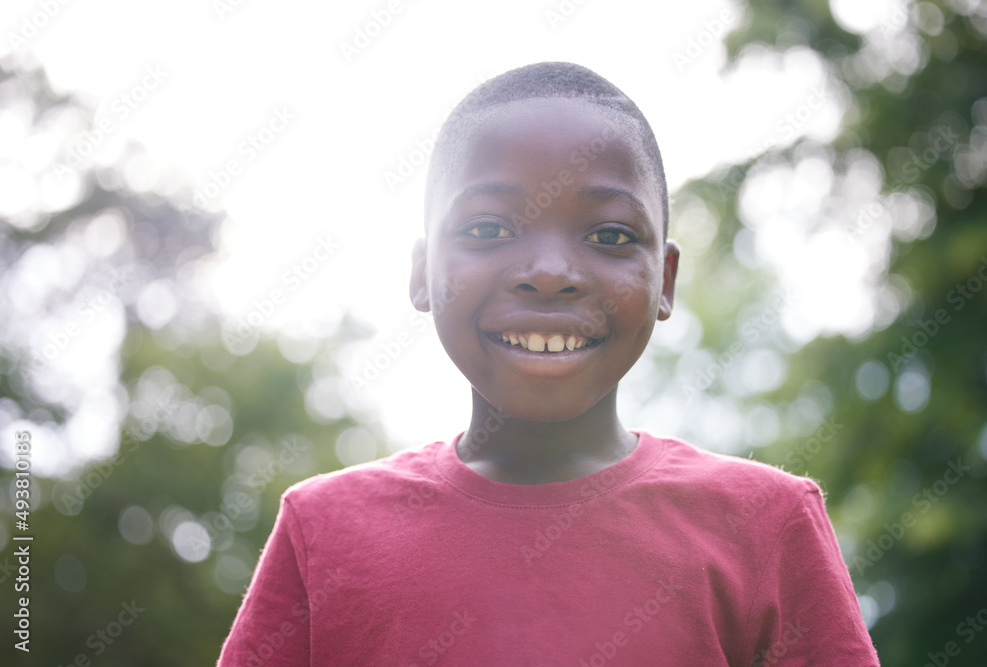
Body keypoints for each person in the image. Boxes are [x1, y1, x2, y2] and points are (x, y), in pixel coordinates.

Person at [217, 61, 880, 665]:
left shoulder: (766, 523)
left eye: (610, 235)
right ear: (422, 272)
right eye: (488, 229)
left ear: (665, 280)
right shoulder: (324, 531)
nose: (549, 273)